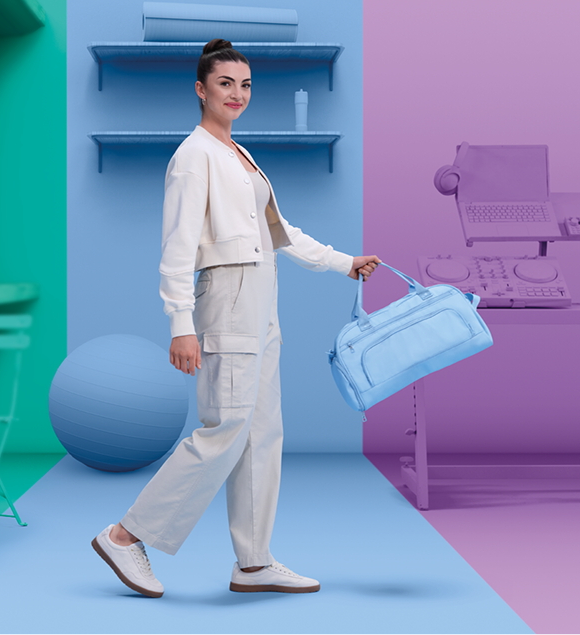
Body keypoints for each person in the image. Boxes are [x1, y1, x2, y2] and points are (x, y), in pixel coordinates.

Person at [92, 38, 381, 599]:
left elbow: (282, 232)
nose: (237, 94)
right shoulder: (193, 155)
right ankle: (126, 535)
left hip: (262, 298)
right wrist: (181, 323)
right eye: (226, 83)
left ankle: (253, 562)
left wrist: (344, 262)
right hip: (226, 296)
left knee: (262, 433)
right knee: (225, 426)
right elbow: (177, 249)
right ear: (201, 89)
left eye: (245, 84)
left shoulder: (238, 154)